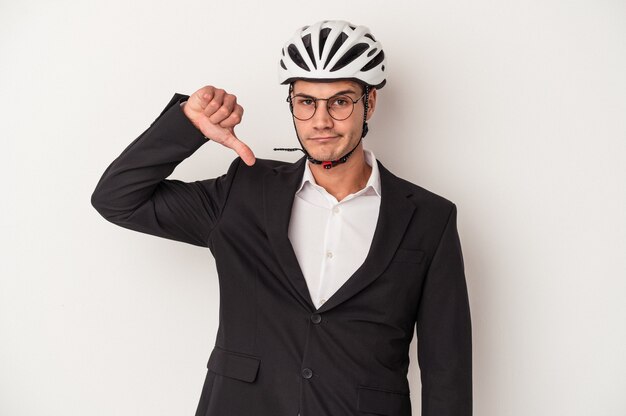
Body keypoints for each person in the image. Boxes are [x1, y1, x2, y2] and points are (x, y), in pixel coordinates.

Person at [91, 20, 472, 416]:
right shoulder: (243, 191)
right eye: (307, 102)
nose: (321, 121)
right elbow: (118, 199)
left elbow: (447, 368)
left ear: (369, 104)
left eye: (340, 101)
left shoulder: (429, 217)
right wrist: (188, 124)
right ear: (292, 103)